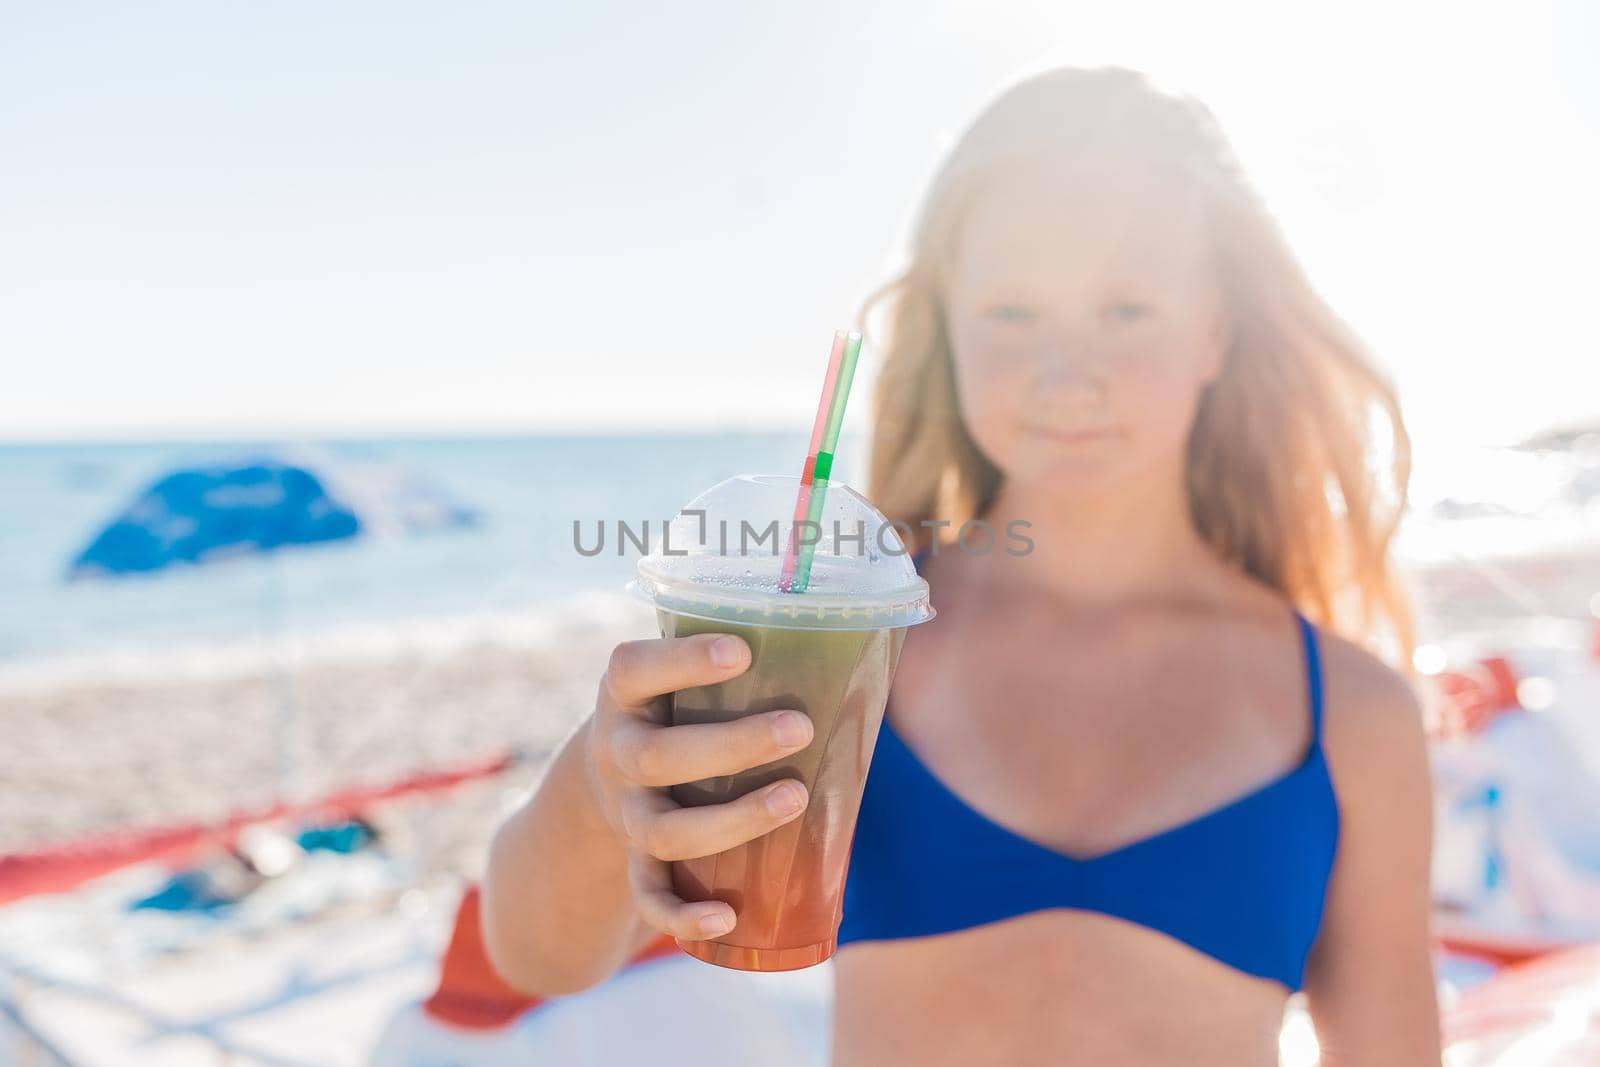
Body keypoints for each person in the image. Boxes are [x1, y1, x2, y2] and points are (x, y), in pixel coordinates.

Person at [481, 65, 1440, 1065]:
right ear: (946, 330)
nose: (1066, 374)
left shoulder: (1350, 714)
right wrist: (602, 784)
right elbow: (537, 954)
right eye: (1013, 313)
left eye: (1126, 310)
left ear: (1214, 331)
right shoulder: (844, 641)